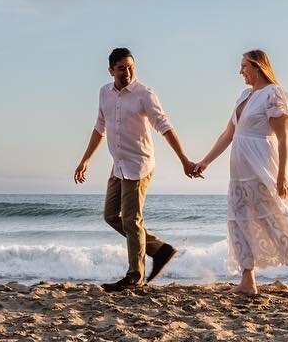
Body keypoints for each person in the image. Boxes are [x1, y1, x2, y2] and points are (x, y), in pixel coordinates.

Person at [193, 49, 288, 295]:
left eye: (244, 66)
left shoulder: (274, 95)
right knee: (240, 222)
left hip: (262, 169)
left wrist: (282, 174)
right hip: (239, 174)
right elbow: (229, 134)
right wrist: (205, 162)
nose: (240, 71)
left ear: (257, 67)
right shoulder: (243, 96)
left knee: (275, 221)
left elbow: (283, 139)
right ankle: (247, 281)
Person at [74, 47, 199, 291]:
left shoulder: (144, 94)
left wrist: (184, 159)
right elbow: (100, 128)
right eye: (121, 68)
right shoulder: (104, 93)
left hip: (139, 164)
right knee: (111, 216)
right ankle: (159, 250)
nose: (127, 72)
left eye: (131, 67)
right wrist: (85, 160)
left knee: (132, 220)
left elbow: (165, 126)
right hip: (118, 165)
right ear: (111, 70)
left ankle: (135, 276)